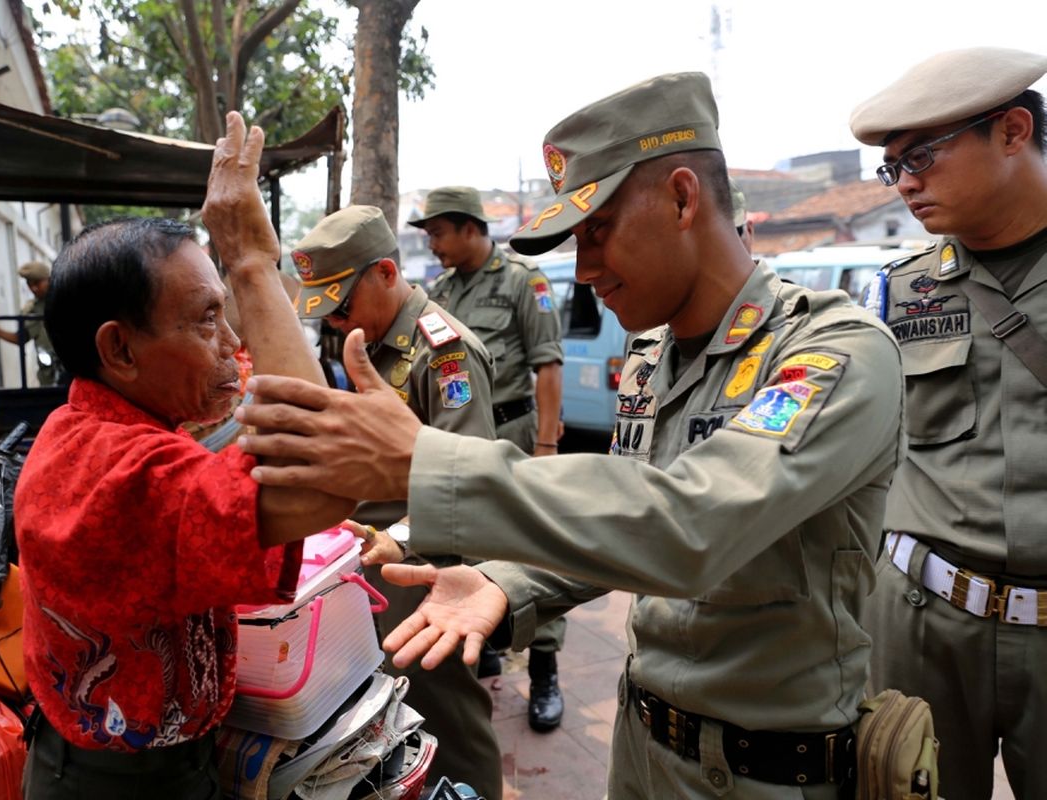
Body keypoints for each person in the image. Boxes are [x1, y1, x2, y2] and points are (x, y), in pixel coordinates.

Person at [233, 71, 905, 799]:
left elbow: (692, 525)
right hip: (644, 744)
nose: (584, 271)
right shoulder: (654, 355)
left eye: (597, 231)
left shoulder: (833, 352)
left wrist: (421, 462)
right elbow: (628, 521)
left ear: (683, 197)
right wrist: (507, 580)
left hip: (771, 771)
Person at [14, 112, 354, 799]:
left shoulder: (100, 422)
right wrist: (253, 262)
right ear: (120, 349)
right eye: (206, 318)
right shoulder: (122, 472)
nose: (233, 343)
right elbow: (327, 475)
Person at [849, 46, 1047, 800]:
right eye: (890, 167)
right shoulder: (897, 296)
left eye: (922, 156)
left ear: (1012, 131)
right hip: (923, 625)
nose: (903, 183)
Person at [291, 204, 504, 799]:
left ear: (385, 273)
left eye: (341, 304)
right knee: (391, 712)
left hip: (428, 561)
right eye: (325, 311)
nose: (334, 322)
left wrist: (402, 539)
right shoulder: (375, 341)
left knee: (445, 712)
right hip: (374, 557)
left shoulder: (443, 352)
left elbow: (469, 480)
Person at [412, 185, 568, 732]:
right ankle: (490, 649)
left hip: (518, 432)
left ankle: (546, 672)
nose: (432, 245)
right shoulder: (442, 291)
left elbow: (548, 365)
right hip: (462, 441)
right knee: (475, 546)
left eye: (437, 233)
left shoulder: (525, 281)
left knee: (536, 550)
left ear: (470, 228)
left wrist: (547, 447)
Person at [0, 261, 63, 385]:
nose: (33, 288)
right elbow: (21, 338)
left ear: (49, 280)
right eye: (29, 284)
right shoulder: (33, 310)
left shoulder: (66, 298)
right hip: (50, 375)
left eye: (37, 283)